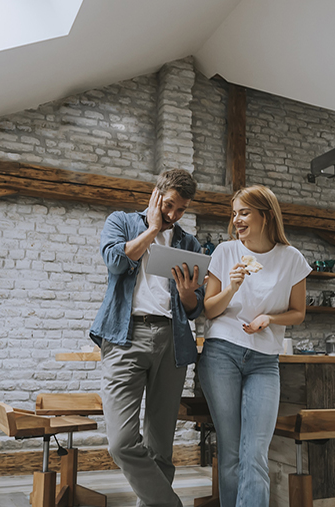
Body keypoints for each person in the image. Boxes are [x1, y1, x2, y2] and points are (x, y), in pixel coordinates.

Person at [89, 168, 206, 507]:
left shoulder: (188, 243)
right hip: (125, 337)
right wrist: (153, 228)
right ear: (156, 195)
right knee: (122, 442)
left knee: (160, 446)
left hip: (172, 341)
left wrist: (187, 295)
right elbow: (114, 261)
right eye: (169, 205)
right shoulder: (122, 222)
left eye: (181, 210)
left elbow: (195, 307)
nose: (173, 215)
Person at [197, 185, 310, 507]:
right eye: (234, 214)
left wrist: (270, 319)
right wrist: (232, 287)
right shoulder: (225, 252)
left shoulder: (292, 259)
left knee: (256, 451)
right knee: (231, 450)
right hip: (222, 354)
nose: (237, 220)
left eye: (244, 212)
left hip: (264, 361)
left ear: (266, 215)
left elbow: (298, 313)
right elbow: (210, 310)